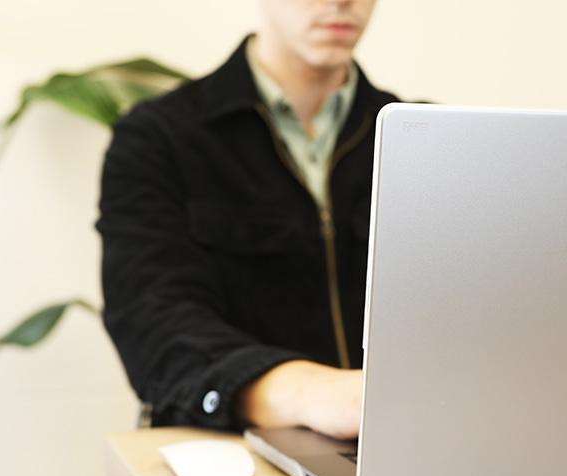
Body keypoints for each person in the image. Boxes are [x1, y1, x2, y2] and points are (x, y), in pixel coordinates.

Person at [97, 0, 399, 441]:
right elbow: (151, 318)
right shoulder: (159, 136)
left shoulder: (424, 139)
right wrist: (308, 393)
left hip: (399, 438)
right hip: (228, 446)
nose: (341, 2)